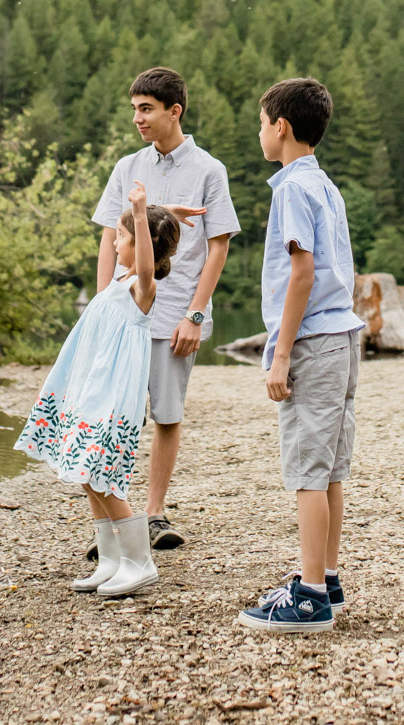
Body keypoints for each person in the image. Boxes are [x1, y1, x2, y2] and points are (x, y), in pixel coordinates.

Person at [88, 67, 240, 553]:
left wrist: (196, 316)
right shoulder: (126, 166)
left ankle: (153, 515)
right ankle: (117, 522)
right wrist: (99, 308)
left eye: (146, 108)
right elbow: (110, 239)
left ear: (174, 111)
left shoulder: (209, 170)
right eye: (134, 108)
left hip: (175, 313)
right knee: (112, 416)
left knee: (166, 416)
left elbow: (217, 249)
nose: (137, 118)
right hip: (122, 313)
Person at [237, 77, 363, 635]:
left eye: (262, 122)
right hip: (345, 337)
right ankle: (327, 576)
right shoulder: (326, 186)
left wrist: (280, 352)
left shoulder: (291, 188)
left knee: (308, 471)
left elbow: (302, 272)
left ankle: (310, 598)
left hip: (313, 340)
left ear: (281, 127)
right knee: (330, 467)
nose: (260, 132)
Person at [15, 181, 179, 598]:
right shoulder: (118, 278)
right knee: (86, 474)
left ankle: (139, 562)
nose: (115, 240)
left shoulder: (142, 287)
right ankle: (110, 560)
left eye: (120, 236)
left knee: (103, 476)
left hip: (113, 397)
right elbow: (141, 250)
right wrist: (162, 211)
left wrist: (141, 216)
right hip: (90, 389)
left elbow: (146, 263)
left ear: (141, 244)